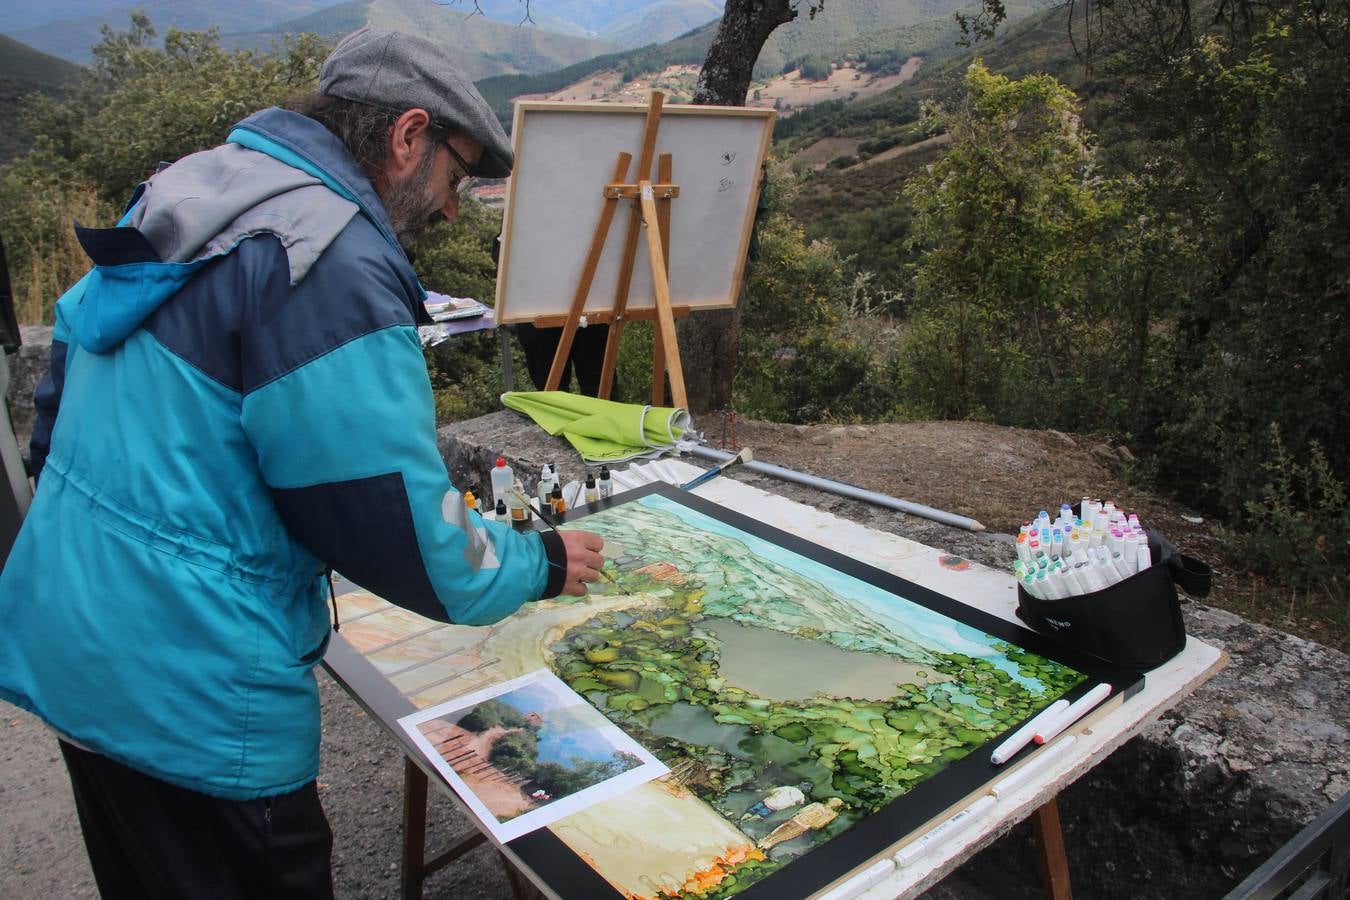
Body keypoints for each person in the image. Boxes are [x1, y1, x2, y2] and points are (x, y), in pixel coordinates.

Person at [0, 26, 605, 899]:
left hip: (77, 634)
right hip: (191, 692)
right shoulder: (329, 263)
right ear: (407, 138)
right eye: (459, 174)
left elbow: (64, 375)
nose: (450, 207)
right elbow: (405, 533)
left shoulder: (197, 188)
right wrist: (541, 560)